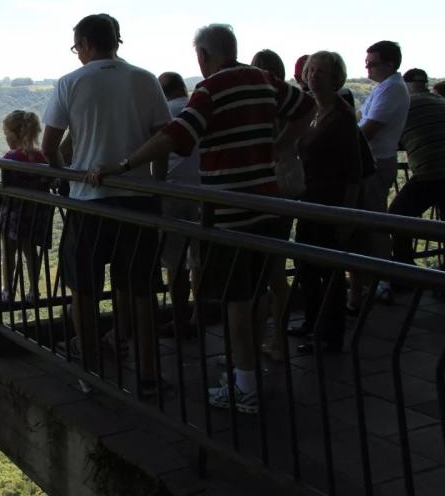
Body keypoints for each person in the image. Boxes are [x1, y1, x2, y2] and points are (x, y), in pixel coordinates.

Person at [112, 24, 314, 413]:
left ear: (205, 56)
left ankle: (246, 391)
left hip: (231, 211)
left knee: (236, 303)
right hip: (269, 204)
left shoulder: (210, 89)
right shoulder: (263, 79)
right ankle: (246, 372)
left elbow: (175, 136)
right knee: (256, 295)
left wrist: (124, 164)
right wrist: (281, 145)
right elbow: (305, 108)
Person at [41, 14, 171, 393]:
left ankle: (91, 375)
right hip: (139, 201)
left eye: (76, 47)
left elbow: (49, 147)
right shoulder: (146, 79)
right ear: (117, 41)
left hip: (91, 203)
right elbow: (162, 139)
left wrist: (67, 178)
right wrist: (158, 185)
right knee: (143, 290)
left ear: (84, 43)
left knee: (84, 289)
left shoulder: (70, 83)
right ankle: (148, 376)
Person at [289, 52, 362, 354]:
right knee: (307, 266)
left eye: (321, 71)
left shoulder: (341, 116)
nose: (314, 76)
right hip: (311, 201)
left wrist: (346, 217)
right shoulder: (313, 110)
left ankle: (330, 336)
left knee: (328, 272)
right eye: (311, 70)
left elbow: (355, 173)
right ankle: (312, 322)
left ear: (336, 77)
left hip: (331, 204)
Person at [351, 40, 410, 307]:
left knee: (374, 225)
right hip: (374, 162)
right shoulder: (387, 88)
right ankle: (374, 281)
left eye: (372, 64)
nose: (367, 69)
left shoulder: (393, 90)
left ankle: (382, 282)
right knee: (370, 224)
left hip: (376, 163)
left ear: (390, 64)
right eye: (366, 63)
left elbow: (369, 129)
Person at [250, 50, 295, 360]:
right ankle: (277, 338)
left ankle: (254, 344)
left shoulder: (258, 102)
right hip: (286, 191)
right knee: (276, 272)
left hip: (261, 191)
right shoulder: (288, 103)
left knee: (256, 276)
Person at [157, 71, 200, 340]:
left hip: (172, 191)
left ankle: (180, 318)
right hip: (206, 191)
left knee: (175, 262)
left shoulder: (164, 113)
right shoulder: (198, 110)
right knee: (199, 259)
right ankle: (199, 316)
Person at [389, 69, 445, 269]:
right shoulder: (440, 102)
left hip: (429, 170)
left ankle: (405, 270)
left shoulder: (404, 105)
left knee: (397, 216)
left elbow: (387, 137)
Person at [0, 110, 54, 303]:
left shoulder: (10, 157)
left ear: (14, 135)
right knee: (30, 251)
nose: (6, 139)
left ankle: (7, 291)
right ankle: (33, 291)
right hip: (36, 213)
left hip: (13, 213)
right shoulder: (42, 156)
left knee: (9, 252)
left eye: (7, 135)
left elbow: (5, 183)